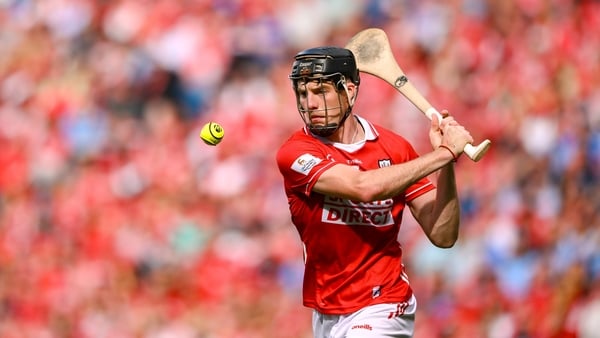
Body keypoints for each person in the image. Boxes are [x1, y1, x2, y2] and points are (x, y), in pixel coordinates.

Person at [275, 46, 474, 338]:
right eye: (303, 94)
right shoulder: (296, 152)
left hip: (384, 303)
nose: (311, 103)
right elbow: (362, 187)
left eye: (320, 91)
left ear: (350, 90)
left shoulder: (395, 148)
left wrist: (447, 164)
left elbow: (443, 234)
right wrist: (444, 153)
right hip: (327, 312)